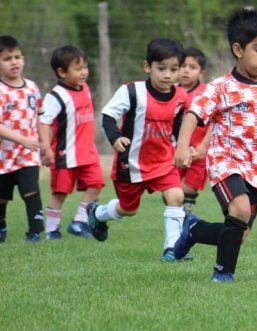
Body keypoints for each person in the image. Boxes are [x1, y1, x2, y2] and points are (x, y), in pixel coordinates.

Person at [172, 8, 257, 283]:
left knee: (239, 234)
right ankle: (223, 275)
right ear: (238, 49)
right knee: (240, 211)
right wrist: (182, 147)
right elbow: (193, 114)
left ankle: (193, 230)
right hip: (226, 163)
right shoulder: (221, 87)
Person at [86, 38, 189, 263]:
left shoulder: (181, 96)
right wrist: (115, 138)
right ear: (147, 67)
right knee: (128, 209)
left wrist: (185, 146)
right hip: (131, 165)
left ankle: (172, 249)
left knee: (176, 196)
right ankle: (98, 213)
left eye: (173, 70)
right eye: (161, 68)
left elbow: (178, 124)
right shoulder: (132, 91)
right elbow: (108, 115)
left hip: (164, 162)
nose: (167, 75)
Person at [39, 45, 104, 239]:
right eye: (78, 69)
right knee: (60, 193)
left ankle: (79, 222)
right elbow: (43, 122)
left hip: (87, 152)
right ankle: (52, 231)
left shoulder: (85, 88)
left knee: (97, 183)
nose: (84, 72)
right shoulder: (55, 96)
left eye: (85, 67)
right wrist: (45, 147)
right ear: (61, 72)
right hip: (64, 155)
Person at [0, 35, 44, 243]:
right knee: (1, 197)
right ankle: (1, 227)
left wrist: (44, 143)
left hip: (28, 154)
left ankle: (35, 233)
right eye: (7, 59)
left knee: (30, 191)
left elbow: (40, 116)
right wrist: (21, 139)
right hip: (3, 156)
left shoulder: (32, 87)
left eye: (17, 57)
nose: (14, 62)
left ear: (23, 59)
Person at [176, 47, 210, 214]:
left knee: (188, 188)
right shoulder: (170, 91)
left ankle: (184, 218)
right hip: (175, 151)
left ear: (201, 72)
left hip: (198, 152)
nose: (186, 70)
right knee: (172, 189)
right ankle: (178, 217)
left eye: (192, 67)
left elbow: (215, 122)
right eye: (183, 66)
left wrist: (204, 146)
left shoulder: (206, 93)